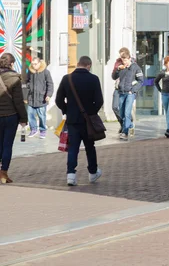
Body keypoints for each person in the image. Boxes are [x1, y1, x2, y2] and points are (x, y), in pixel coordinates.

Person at [55, 56, 103, 186]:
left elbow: (58, 100)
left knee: (73, 147)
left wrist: (67, 110)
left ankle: (71, 175)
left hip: (72, 119)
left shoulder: (67, 79)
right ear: (89, 65)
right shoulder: (94, 79)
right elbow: (99, 101)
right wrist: (91, 113)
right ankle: (92, 173)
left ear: (78, 64)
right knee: (90, 147)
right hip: (88, 121)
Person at [0, 53, 28, 184]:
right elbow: (18, 102)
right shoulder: (15, 78)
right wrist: (23, 118)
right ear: (11, 64)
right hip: (11, 116)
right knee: (7, 145)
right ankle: (4, 173)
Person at [112, 51, 143, 140]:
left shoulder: (136, 68)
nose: (124, 62)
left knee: (127, 113)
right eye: (122, 60)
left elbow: (141, 81)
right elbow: (114, 77)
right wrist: (118, 69)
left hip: (130, 93)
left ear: (129, 59)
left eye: (125, 60)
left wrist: (133, 90)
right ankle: (130, 124)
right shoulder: (121, 67)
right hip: (122, 92)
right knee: (121, 113)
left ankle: (125, 133)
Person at [25, 57, 54, 139]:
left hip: (42, 98)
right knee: (30, 114)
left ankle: (42, 130)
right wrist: (28, 88)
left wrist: (48, 95)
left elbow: (50, 84)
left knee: (42, 116)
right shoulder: (30, 72)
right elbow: (26, 82)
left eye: (35, 64)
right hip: (31, 98)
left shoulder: (46, 72)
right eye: (32, 64)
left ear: (39, 63)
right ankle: (33, 129)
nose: (33, 66)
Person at [111, 47, 133, 135]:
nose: (121, 57)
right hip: (118, 88)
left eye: (123, 55)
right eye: (120, 55)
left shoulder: (132, 63)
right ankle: (123, 123)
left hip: (127, 89)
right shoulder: (117, 63)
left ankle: (126, 125)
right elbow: (113, 77)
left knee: (125, 110)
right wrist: (118, 69)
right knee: (115, 107)